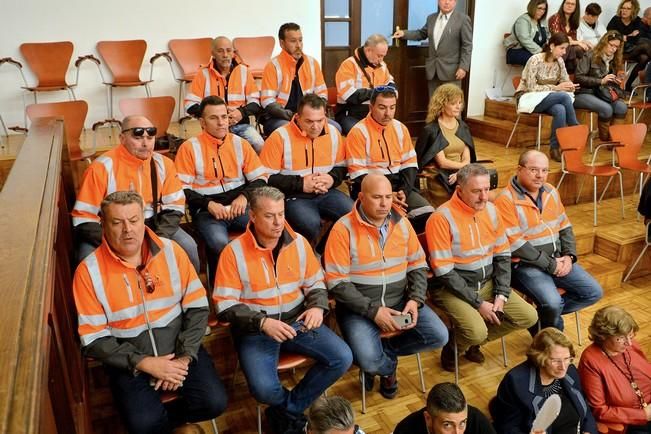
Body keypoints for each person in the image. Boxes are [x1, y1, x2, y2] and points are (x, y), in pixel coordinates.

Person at [73, 191, 227, 434]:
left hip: (178, 349)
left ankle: (169, 425)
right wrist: (145, 363)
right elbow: (93, 340)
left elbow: (197, 308)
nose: (128, 230)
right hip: (129, 360)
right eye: (117, 222)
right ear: (102, 224)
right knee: (143, 424)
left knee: (214, 402)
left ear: (143, 219)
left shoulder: (172, 251)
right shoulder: (87, 272)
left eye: (134, 220)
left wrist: (183, 358)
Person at [213, 186, 353, 434]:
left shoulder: (299, 243)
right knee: (263, 389)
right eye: (269, 216)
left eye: (281, 214)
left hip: (297, 321)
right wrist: (262, 323)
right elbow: (224, 305)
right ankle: (289, 412)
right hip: (256, 330)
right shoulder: (232, 253)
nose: (279, 222)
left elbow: (316, 283)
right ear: (253, 217)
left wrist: (318, 307)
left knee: (342, 357)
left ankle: (286, 411)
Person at [324, 173, 448, 399]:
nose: (384, 204)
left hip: (399, 304)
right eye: (377, 197)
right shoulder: (343, 229)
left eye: (388, 197)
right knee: (369, 359)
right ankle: (385, 368)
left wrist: (415, 299)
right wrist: (373, 311)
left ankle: (383, 356)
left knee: (439, 335)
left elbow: (418, 264)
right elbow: (337, 283)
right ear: (361, 197)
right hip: (359, 311)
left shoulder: (402, 223)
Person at [425, 163, 538, 372]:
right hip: (451, 289)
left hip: (487, 282)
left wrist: (502, 294)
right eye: (476, 191)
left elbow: (503, 255)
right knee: (476, 330)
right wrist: (478, 304)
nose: (484, 197)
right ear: (459, 190)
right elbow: (444, 272)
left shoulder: (492, 211)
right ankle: (454, 347)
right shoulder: (441, 218)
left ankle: (471, 341)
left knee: (529, 316)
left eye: (487, 189)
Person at [71, 115, 200, 271]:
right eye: (138, 137)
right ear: (122, 138)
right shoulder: (100, 168)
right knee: (87, 262)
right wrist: (116, 244)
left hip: (155, 226)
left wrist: (159, 239)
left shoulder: (164, 164)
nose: (145, 143)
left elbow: (175, 206)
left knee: (189, 247)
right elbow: (83, 218)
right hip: (112, 231)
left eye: (150, 137)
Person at [495, 150, 603, 336]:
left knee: (593, 292)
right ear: (519, 169)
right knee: (552, 303)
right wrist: (552, 265)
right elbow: (516, 244)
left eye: (544, 170)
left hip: (558, 260)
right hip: (524, 266)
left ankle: (539, 320)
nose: (540, 175)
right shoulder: (505, 200)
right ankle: (550, 337)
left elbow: (565, 226)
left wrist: (569, 256)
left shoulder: (551, 191)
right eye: (534, 169)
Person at [174, 96, 267, 284]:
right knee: (218, 243)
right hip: (208, 212)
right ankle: (222, 287)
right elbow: (181, 189)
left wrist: (244, 196)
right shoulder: (189, 148)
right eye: (214, 118)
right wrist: (208, 204)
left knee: (268, 229)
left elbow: (261, 178)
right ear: (202, 122)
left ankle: (258, 281)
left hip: (240, 207)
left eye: (224, 117)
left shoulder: (240, 143)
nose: (221, 122)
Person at [259, 93, 352, 247]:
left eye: (320, 120)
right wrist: (301, 184)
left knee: (352, 215)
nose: (315, 126)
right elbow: (265, 178)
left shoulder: (334, 133)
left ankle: (324, 252)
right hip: (293, 195)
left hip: (325, 192)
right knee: (310, 224)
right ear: (298, 117)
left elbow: (341, 167)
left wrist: (331, 179)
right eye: (309, 121)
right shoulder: (279, 137)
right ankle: (304, 254)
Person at [345, 86, 435, 232]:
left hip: (399, 186)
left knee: (428, 216)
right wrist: (387, 195)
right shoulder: (358, 132)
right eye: (382, 107)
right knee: (395, 223)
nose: (388, 113)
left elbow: (410, 164)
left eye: (392, 108)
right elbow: (358, 175)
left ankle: (409, 249)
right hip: (372, 190)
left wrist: (403, 191)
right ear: (371, 107)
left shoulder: (401, 128)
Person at [492, 327, 597, 434]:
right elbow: (507, 427)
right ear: (539, 357)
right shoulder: (516, 382)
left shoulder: (570, 371)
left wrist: (589, 430)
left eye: (567, 359)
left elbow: (585, 407)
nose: (563, 367)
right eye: (556, 361)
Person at [183, 36, 264, 152]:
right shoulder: (203, 74)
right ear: (213, 53)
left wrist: (241, 113)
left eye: (228, 50)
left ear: (233, 53)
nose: (225, 55)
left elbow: (255, 103)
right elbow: (189, 105)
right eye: (220, 51)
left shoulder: (244, 71)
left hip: (241, 125)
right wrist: (216, 115)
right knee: (224, 151)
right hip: (214, 128)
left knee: (259, 144)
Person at [578, 306, 651, 433]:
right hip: (631, 421)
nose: (629, 343)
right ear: (603, 336)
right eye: (621, 338)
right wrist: (643, 415)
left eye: (630, 336)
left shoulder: (630, 346)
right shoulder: (590, 361)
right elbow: (599, 410)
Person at [514, 32, 579, 162]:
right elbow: (532, 87)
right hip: (528, 97)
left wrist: (569, 85)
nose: (564, 52)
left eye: (566, 49)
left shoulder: (560, 61)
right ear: (552, 46)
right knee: (563, 97)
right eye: (562, 48)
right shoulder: (535, 60)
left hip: (549, 97)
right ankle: (575, 129)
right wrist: (556, 88)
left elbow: (564, 80)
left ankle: (554, 148)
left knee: (560, 109)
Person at [260, 22, 335, 135]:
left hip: (310, 117)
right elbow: (267, 100)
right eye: (293, 41)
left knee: (335, 129)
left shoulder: (312, 63)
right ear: (282, 43)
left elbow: (322, 94)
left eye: (300, 40)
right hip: (281, 118)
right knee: (293, 133)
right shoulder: (273, 66)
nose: (298, 45)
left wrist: (313, 115)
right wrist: (292, 116)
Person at [392, 0, 473, 96]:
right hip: (433, 71)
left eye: (450, 0)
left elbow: (467, 45)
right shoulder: (431, 18)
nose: (446, 2)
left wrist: (463, 67)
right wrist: (404, 33)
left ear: (455, 2)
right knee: (434, 106)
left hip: (452, 72)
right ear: (438, 1)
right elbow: (421, 34)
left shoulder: (463, 20)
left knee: (451, 106)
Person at [415, 83, 476, 203]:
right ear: (442, 105)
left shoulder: (463, 127)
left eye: (459, 103)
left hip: (460, 172)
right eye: (453, 103)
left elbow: (467, 160)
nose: (458, 107)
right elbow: (442, 163)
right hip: (439, 175)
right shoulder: (432, 130)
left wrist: (460, 173)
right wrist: (464, 170)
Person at [334, 33, 395, 135]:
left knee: (394, 131)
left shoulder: (382, 65)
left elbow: (392, 87)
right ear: (368, 50)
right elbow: (349, 95)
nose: (381, 60)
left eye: (383, 56)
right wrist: (377, 93)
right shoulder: (348, 65)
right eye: (379, 56)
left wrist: (377, 93)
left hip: (375, 114)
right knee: (364, 135)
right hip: (350, 115)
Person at [574, 31, 628, 140]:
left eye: (616, 47)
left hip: (603, 93)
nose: (613, 49)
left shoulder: (614, 59)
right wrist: (600, 81)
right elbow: (578, 77)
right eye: (611, 45)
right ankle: (605, 140)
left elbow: (609, 80)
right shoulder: (590, 55)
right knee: (606, 109)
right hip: (584, 92)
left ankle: (614, 140)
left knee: (622, 107)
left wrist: (617, 80)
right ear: (604, 43)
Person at [394, 382, 496, 434]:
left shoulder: (477, 421)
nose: (457, 433)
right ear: (428, 418)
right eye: (447, 425)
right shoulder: (405, 430)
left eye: (462, 423)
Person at [607, 0, 651, 91]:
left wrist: (624, 37)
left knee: (644, 57)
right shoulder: (615, 20)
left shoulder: (637, 21)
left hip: (633, 49)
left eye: (628, 8)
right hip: (618, 50)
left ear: (633, 10)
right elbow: (611, 36)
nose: (624, 10)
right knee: (645, 45)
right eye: (623, 8)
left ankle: (628, 85)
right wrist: (629, 36)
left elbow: (639, 37)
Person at [548, 0, 590, 73]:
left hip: (568, 53)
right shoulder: (555, 18)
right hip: (555, 48)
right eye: (567, 3)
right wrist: (578, 42)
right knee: (578, 49)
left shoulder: (573, 21)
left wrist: (580, 42)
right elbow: (559, 40)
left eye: (572, 4)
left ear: (576, 7)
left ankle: (583, 72)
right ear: (563, 4)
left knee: (582, 49)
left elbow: (572, 40)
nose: (569, 6)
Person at [503, 0, 550, 66]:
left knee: (553, 58)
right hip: (517, 51)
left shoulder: (543, 21)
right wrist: (541, 52)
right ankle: (532, 76)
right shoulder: (523, 20)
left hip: (535, 52)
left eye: (544, 9)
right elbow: (525, 40)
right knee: (540, 60)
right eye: (539, 8)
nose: (542, 11)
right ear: (532, 7)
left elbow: (548, 36)